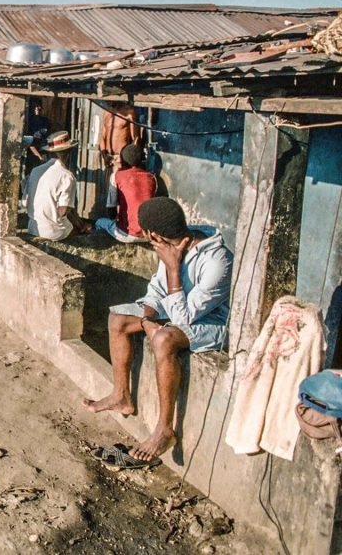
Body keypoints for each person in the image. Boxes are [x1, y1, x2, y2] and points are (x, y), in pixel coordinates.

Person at [84, 197, 233, 464]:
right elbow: (155, 292)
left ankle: (164, 429)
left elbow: (184, 318)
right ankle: (121, 395)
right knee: (117, 319)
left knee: (164, 339)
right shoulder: (170, 245)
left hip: (213, 325)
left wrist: (174, 268)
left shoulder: (218, 260)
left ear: (153, 235)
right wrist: (148, 317)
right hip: (179, 311)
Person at [25, 130, 91, 240]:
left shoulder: (35, 171)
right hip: (54, 232)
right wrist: (80, 225)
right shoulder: (67, 176)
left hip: (33, 227)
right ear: (69, 152)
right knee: (79, 228)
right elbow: (63, 211)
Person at [95, 144, 157, 243]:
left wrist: (116, 219)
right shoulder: (151, 177)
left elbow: (111, 209)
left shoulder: (116, 176)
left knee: (99, 222)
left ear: (123, 160)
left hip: (127, 233)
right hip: (149, 234)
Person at [99, 102, 143, 168]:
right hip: (109, 157)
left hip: (123, 158)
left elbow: (135, 138)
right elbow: (102, 136)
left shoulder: (129, 113)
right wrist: (104, 154)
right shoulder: (107, 113)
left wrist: (127, 157)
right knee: (112, 177)